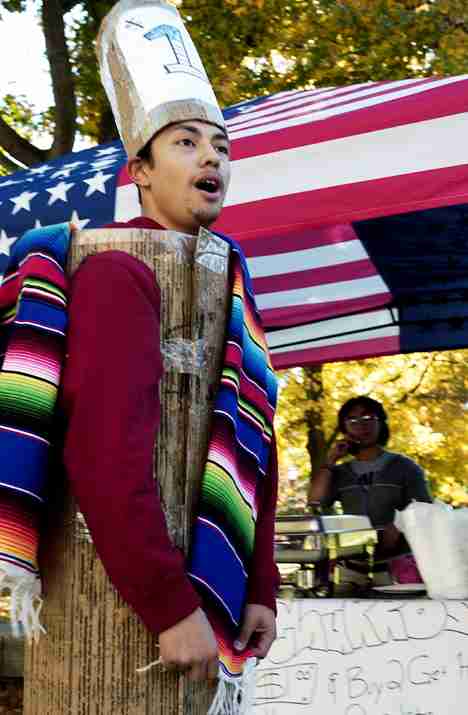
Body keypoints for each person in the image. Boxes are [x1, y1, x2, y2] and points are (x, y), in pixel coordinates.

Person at [59, 2, 279, 688]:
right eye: (185, 141)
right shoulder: (115, 271)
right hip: (120, 608)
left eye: (222, 145)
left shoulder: (232, 280)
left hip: (208, 599)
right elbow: (101, 453)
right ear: (140, 171)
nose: (212, 155)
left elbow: (257, 438)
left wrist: (261, 581)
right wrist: (167, 602)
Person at [307, 396, 432, 557]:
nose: (361, 425)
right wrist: (331, 460)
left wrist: (399, 526)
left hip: (399, 560)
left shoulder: (405, 467)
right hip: (353, 559)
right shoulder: (340, 472)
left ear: (381, 423)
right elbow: (315, 500)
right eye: (352, 420)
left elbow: (425, 509)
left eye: (368, 417)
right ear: (344, 429)